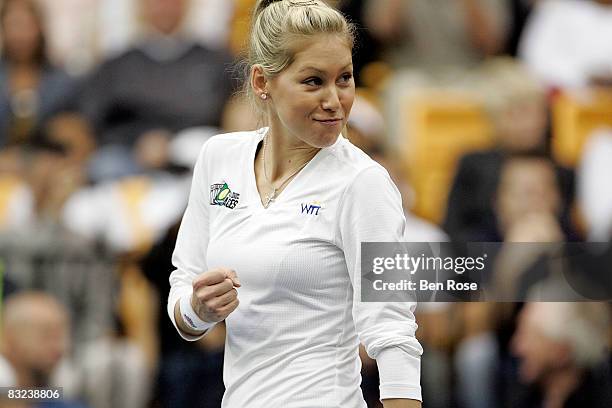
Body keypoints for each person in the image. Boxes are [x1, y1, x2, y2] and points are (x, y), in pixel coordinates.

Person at [167, 1, 423, 407]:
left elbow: (393, 335)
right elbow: (184, 291)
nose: (334, 100)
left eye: (344, 78)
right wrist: (200, 308)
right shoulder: (218, 157)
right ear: (261, 82)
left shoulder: (364, 182)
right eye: (313, 81)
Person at [0, 0, 76, 146]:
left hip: (49, 162)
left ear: (40, 27)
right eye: (13, 25)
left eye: (27, 26)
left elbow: (76, 139)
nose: (20, 35)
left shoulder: (62, 81)